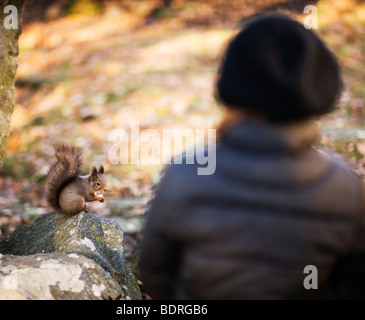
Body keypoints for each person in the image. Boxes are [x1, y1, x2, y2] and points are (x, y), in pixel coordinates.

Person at [138, 14, 365, 299]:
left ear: (230, 87)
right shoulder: (345, 188)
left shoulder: (186, 173)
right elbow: (352, 283)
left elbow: (155, 272)